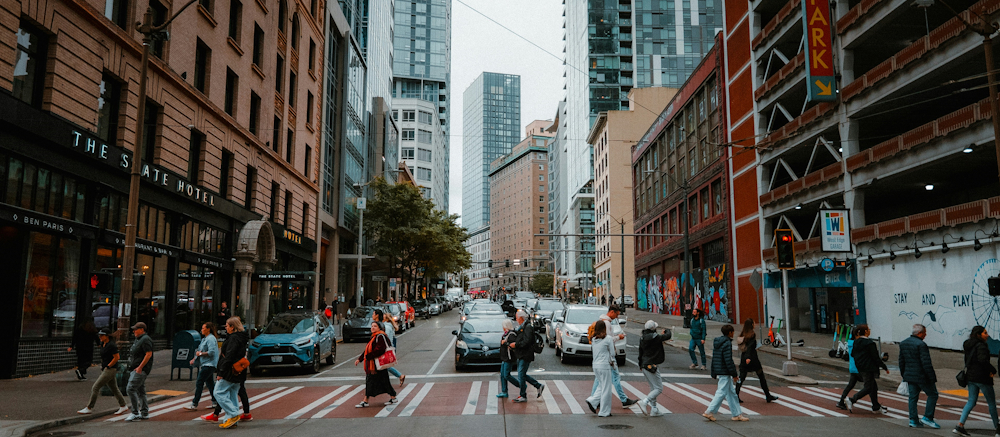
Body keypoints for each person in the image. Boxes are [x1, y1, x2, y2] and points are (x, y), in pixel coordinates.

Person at [954, 325, 999, 437]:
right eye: (985, 333)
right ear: (979, 335)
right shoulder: (982, 346)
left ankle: (960, 425)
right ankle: (997, 428)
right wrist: (992, 370)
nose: (987, 335)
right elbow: (983, 360)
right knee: (991, 403)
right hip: (982, 378)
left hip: (971, 377)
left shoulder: (968, 345)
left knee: (971, 401)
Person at [589, 305, 636, 407]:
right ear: (611, 312)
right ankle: (623, 400)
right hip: (608, 357)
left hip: (602, 358)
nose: (617, 317)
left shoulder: (603, 321)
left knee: (599, 379)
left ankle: (594, 400)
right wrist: (618, 337)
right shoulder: (607, 323)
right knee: (615, 378)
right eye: (616, 314)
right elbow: (608, 340)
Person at [77, 330, 129, 415]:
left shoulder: (112, 345)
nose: (100, 337)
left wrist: (108, 366)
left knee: (96, 387)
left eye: (102, 335)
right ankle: (123, 405)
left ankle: (89, 407)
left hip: (110, 369)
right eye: (99, 335)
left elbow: (116, 357)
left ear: (107, 336)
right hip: (106, 368)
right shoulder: (103, 344)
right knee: (114, 388)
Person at [703, 324, 748, 422]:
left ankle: (737, 414)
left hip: (720, 370)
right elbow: (728, 360)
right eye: (733, 332)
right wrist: (734, 374)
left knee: (731, 393)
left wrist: (714, 372)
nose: (733, 333)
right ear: (730, 333)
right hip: (725, 371)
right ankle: (709, 411)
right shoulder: (727, 343)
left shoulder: (717, 342)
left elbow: (715, 358)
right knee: (721, 392)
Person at [898, 323, 939, 429]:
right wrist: (932, 377)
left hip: (909, 375)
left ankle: (913, 420)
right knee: (933, 394)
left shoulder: (903, 343)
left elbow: (901, 361)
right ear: (920, 333)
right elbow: (926, 363)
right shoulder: (921, 345)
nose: (925, 335)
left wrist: (904, 374)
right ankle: (928, 417)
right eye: (924, 333)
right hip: (922, 376)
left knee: (913, 397)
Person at [845, 324, 889, 415]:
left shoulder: (856, 342)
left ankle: (875, 406)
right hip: (869, 368)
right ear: (865, 332)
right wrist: (884, 366)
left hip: (860, 368)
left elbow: (852, 354)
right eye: (868, 329)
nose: (869, 330)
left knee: (873, 387)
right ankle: (852, 399)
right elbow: (875, 357)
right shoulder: (870, 343)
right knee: (868, 387)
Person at [213, 317, 248, 429]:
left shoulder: (233, 339)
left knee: (218, 392)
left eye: (227, 325)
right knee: (233, 394)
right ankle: (231, 420)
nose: (225, 327)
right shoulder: (242, 338)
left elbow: (229, 356)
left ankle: (233, 414)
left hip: (229, 371)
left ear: (232, 327)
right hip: (239, 371)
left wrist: (221, 372)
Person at [354, 321, 398, 407]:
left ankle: (365, 401)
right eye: (372, 326)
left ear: (379, 328)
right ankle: (393, 397)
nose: (373, 328)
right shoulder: (374, 337)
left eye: (375, 326)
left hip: (377, 364)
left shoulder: (380, 336)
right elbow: (367, 350)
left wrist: (369, 356)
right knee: (383, 381)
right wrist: (360, 359)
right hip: (375, 364)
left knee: (371, 381)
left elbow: (380, 349)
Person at [735, 319, 778, 403]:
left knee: (741, 377)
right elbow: (750, 347)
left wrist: (746, 357)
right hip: (752, 359)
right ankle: (767, 395)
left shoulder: (742, 334)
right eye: (754, 323)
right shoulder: (752, 334)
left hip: (744, 358)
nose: (755, 324)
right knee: (761, 376)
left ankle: (736, 395)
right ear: (751, 324)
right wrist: (749, 357)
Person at [637, 320, 671, 416]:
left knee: (653, 388)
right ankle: (645, 402)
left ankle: (654, 409)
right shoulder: (654, 337)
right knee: (659, 388)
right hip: (651, 364)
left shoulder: (643, 337)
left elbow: (640, 352)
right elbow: (667, 336)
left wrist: (640, 364)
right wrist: (667, 331)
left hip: (644, 364)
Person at [584, 321, 617, 417]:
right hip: (605, 366)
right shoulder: (608, 339)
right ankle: (604, 411)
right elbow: (613, 353)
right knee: (606, 388)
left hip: (595, 365)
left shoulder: (593, 339)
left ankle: (593, 400)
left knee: (601, 386)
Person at [510, 311, 544, 402]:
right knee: (522, 374)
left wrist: (516, 344)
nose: (516, 320)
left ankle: (523, 395)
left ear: (521, 318)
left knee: (521, 375)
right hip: (522, 354)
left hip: (525, 354)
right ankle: (538, 386)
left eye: (517, 318)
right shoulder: (523, 327)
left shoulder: (528, 327)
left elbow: (526, 341)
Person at [185, 322, 219, 411]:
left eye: (203, 328)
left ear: (208, 329)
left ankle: (194, 403)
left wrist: (200, 354)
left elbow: (211, 352)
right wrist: (194, 358)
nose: (201, 330)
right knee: (210, 383)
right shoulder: (205, 339)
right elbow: (199, 350)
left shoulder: (210, 339)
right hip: (206, 364)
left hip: (209, 364)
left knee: (199, 382)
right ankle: (215, 402)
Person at [124, 322, 154, 422]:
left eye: (136, 329)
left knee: (130, 388)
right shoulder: (139, 339)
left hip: (140, 369)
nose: (134, 331)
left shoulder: (145, 339)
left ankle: (135, 413)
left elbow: (148, 354)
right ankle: (144, 412)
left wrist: (140, 367)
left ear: (142, 329)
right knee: (141, 390)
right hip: (135, 368)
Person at [373, 309, 406, 385]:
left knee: (384, 365)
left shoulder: (387, 327)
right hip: (388, 347)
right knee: (382, 365)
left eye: (384, 317)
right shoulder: (387, 326)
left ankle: (400, 375)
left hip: (387, 348)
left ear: (386, 319)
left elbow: (385, 338)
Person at [836, 326, 862, 410]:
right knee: (870, 386)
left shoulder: (850, 343)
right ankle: (875, 405)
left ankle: (841, 401)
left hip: (852, 368)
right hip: (860, 368)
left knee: (850, 386)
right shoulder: (858, 344)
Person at [498, 318, 522, 398]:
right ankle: (504, 391)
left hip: (509, 357)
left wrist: (505, 343)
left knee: (506, 375)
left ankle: (520, 385)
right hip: (504, 357)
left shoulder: (511, 334)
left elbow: (513, 345)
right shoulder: (506, 334)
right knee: (502, 375)